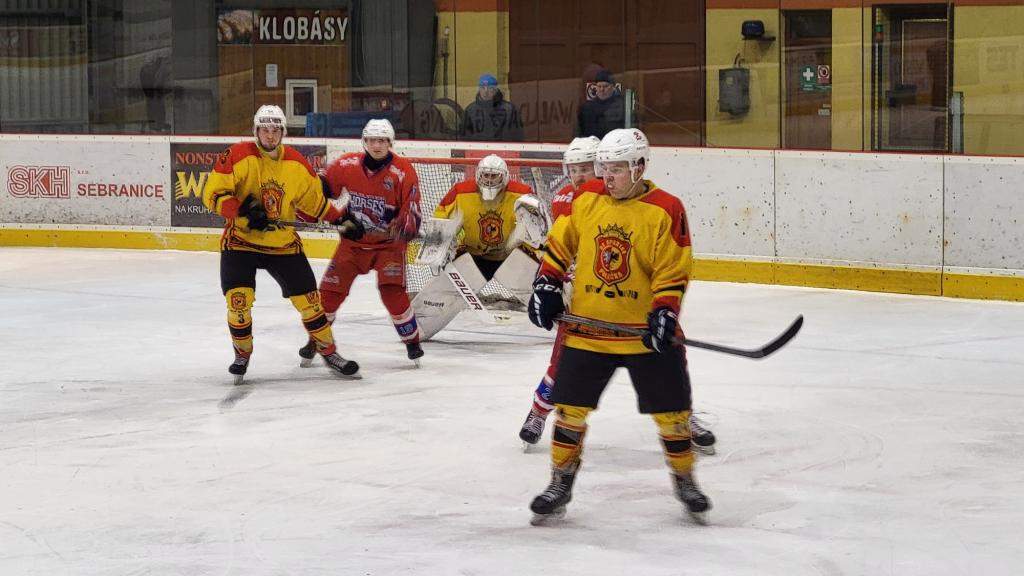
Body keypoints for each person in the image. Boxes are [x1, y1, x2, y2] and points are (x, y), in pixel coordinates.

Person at [526, 128, 711, 524]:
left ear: (639, 167)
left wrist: (665, 311)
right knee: (569, 411)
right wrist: (547, 281)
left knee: (673, 414)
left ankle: (685, 479)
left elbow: (673, 268)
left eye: (616, 169)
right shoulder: (587, 198)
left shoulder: (666, 208)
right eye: (604, 168)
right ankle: (560, 482)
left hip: (643, 335)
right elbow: (560, 244)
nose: (607, 177)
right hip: (589, 331)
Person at [202, 104, 363, 383]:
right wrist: (242, 210)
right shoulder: (237, 155)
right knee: (238, 303)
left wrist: (341, 219)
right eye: (265, 129)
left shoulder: (296, 163)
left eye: (275, 130)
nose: (270, 135)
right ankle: (242, 354)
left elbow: (315, 202)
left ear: (283, 132)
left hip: (283, 245)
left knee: (311, 304)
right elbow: (212, 195)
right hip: (241, 242)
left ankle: (330, 353)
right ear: (256, 131)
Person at [299, 118, 424, 364]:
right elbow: (322, 188)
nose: (376, 145)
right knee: (329, 295)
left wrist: (407, 225)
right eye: (372, 140)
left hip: (389, 247)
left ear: (390, 142)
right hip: (353, 244)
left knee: (393, 294)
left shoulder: (403, 171)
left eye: (382, 141)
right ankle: (316, 340)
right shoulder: (346, 164)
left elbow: (412, 206)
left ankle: (412, 342)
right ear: (364, 141)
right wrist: (310, 197)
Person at [410, 154, 539, 341]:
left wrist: (538, 254)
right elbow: (441, 219)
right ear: (478, 175)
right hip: (474, 256)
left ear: (504, 177)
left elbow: (538, 230)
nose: (489, 180)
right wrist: (438, 250)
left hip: (511, 257)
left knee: (541, 290)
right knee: (445, 290)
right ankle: (416, 327)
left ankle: (567, 322)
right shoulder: (461, 192)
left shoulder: (522, 194)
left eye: (494, 176)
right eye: (486, 175)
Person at [462, 73, 523, 142]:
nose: (486, 91)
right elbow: (465, 137)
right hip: (478, 148)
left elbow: (518, 135)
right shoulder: (470, 110)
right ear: (479, 89)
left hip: (503, 148)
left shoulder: (510, 110)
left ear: (496, 90)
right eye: (483, 87)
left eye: (490, 88)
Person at [577, 69, 625, 139]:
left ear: (613, 87)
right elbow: (579, 132)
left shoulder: (622, 106)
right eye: (599, 86)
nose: (602, 89)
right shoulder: (586, 108)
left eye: (605, 86)